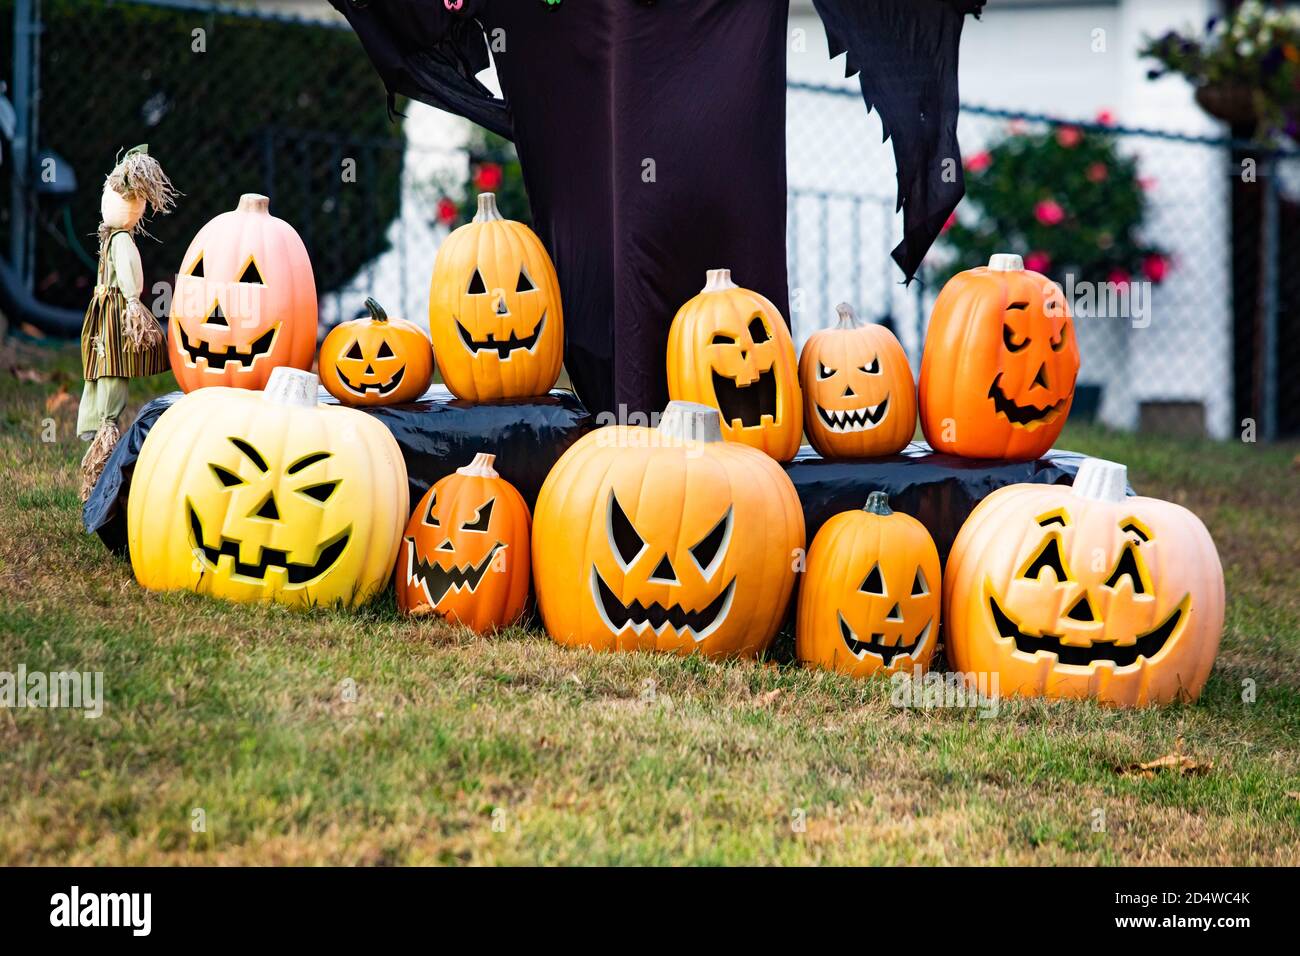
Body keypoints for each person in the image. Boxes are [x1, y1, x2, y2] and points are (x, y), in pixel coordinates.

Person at [79, 144, 177, 500]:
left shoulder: (119, 241)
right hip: (104, 314)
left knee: (110, 372)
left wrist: (134, 306)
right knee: (101, 370)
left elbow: (130, 281)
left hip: (113, 315)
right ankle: (98, 430)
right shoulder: (114, 239)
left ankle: (104, 434)